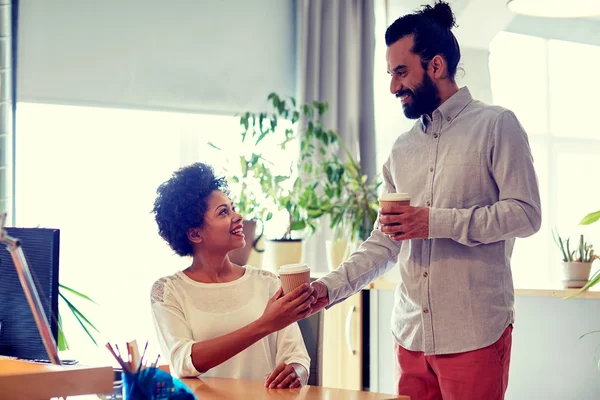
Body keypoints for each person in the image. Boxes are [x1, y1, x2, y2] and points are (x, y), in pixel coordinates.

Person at [310, 2, 541, 399]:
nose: (392, 86)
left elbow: (525, 214)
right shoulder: (401, 150)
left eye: (401, 72)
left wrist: (434, 222)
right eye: (390, 74)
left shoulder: (497, 125)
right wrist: (328, 289)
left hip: (474, 336)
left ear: (435, 66)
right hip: (410, 338)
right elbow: (386, 240)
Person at [150, 162, 314, 389]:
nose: (238, 217)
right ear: (195, 234)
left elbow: (297, 356)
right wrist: (263, 325)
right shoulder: (168, 291)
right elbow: (184, 362)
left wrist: (295, 372)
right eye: (224, 212)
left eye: (232, 208)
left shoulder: (267, 283)